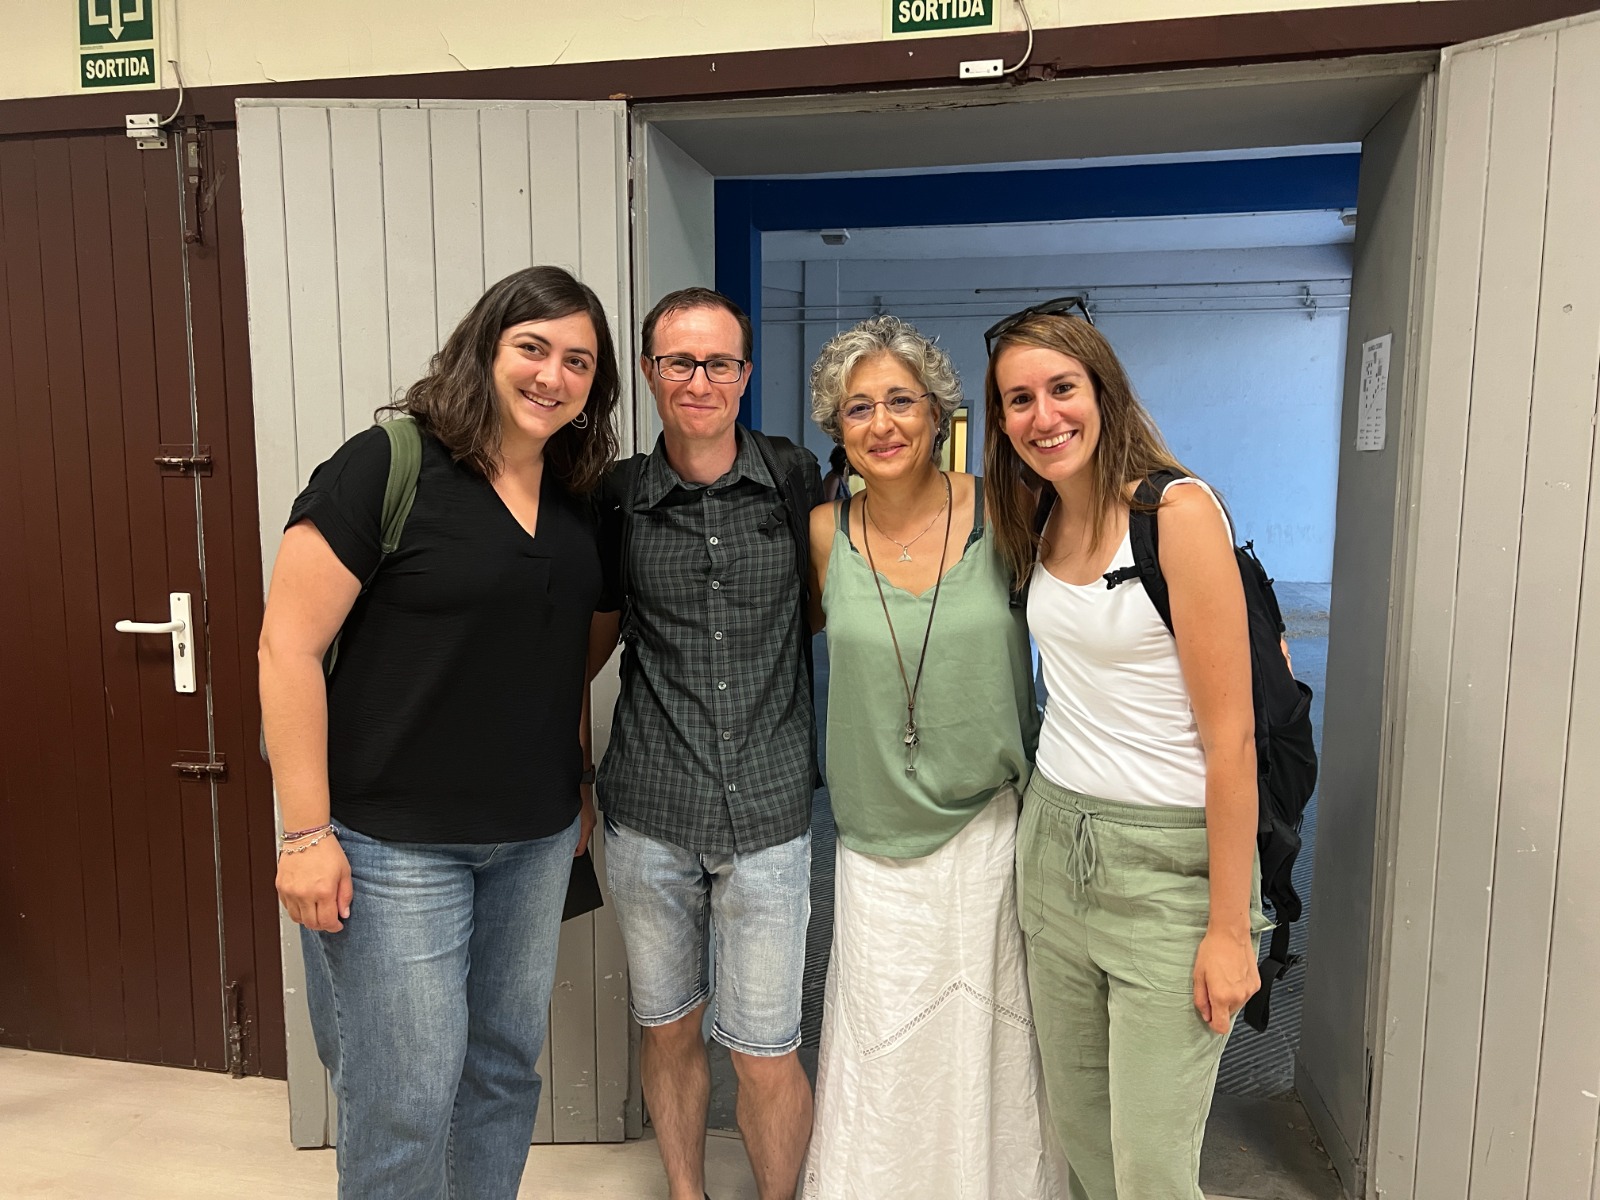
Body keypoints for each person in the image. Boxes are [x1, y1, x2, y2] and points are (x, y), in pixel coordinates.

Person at [259, 266, 622, 1199]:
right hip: (391, 846)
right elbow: (287, 649)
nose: (552, 375)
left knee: (502, 1074)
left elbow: (561, 661)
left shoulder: (580, 495)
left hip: (533, 840)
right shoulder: (389, 464)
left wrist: (577, 783)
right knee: (405, 1098)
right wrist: (304, 834)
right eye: (532, 348)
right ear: (485, 349)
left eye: (578, 361)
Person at [984, 301, 1268, 1200]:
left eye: (1062, 388)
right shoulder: (1036, 514)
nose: (1044, 416)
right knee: (1086, 1147)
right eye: (1019, 399)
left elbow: (1233, 741)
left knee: (1151, 1167)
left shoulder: (1175, 511)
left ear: (1103, 392)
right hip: (1054, 850)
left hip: (1168, 869)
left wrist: (1229, 928)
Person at [801, 315, 1064, 1199]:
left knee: (996, 1036)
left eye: (901, 401)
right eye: (858, 408)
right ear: (837, 428)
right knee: (886, 1042)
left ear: (937, 411)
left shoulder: (1007, 510)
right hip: (874, 842)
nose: (882, 424)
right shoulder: (824, 534)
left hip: (991, 831)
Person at [595, 287, 821, 1200]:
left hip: (769, 814)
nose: (700, 380)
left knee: (767, 1048)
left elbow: (836, 607)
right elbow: (581, 650)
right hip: (649, 813)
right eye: (679, 362)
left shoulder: (796, 479)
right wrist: (570, 780)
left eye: (718, 362)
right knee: (668, 1028)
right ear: (652, 373)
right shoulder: (617, 499)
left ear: (745, 373)